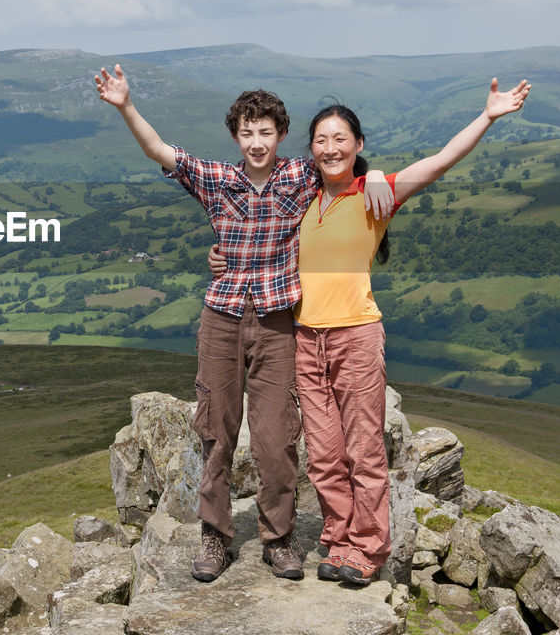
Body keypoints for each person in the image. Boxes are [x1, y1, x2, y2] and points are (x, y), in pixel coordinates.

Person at [212, 77, 529, 585]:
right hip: (305, 340)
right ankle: (337, 540)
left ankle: (369, 547)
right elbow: (259, 238)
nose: (330, 148)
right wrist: (221, 257)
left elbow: (441, 161)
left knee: (364, 449)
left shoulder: (374, 194)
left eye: (341, 139)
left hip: (355, 336)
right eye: (321, 140)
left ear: (357, 145)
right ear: (310, 148)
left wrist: (489, 116)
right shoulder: (303, 197)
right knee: (324, 454)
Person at [94, 64, 392, 583]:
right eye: (247, 133)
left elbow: (344, 169)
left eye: (267, 132)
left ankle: (279, 540)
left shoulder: (299, 177)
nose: (257, 143)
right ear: (236, 136)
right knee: (217, 430)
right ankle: (215, 536)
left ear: (280, 136)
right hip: (223, 318)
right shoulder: (218, 180)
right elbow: (161, 152)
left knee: (277, 438)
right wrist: (125, 106)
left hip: (279, 321)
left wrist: (381, 178)